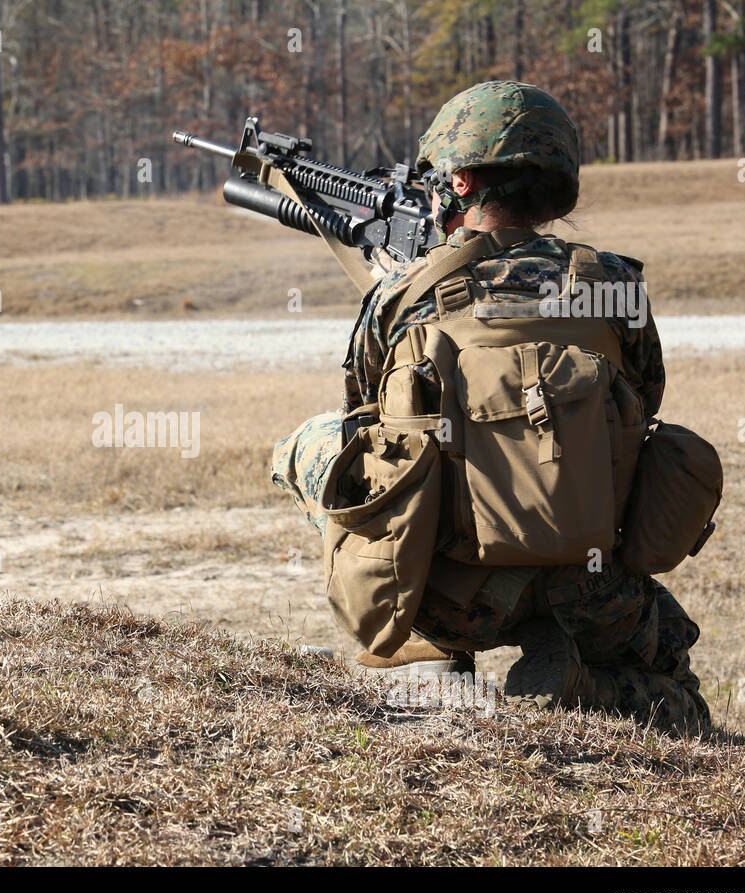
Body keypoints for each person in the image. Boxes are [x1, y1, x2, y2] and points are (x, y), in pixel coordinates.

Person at [272, 80, 709, 735]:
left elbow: (368, 423)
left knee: (319, 441)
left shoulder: (400, 294)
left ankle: (427, 660)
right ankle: (580, 683)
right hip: (591, 591)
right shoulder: (616, 287)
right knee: (687, 706)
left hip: (447, 594)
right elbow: (643, 408)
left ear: (461, 181)